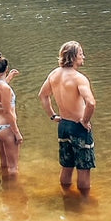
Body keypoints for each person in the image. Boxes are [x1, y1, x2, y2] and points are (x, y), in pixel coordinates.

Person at [38, 40, 96, 193]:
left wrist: (53, 116)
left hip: (63, 125)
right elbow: (90, 103)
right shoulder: (79, 78)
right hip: (78, 126)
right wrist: (85, 120)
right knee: (84, 167)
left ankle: (66, 196)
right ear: (73, 57)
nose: (84, 56)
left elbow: (43, 96)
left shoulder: (54, 74)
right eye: (81, 53)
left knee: (67, 165)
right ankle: (84, 202)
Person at [0, 52, 23, 175]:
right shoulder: (6, 89)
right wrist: (17, 133)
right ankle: (12, 193)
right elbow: (8, 113)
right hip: (6, 128)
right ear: (6, 68)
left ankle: (4, 188)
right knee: (13, 168)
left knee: (4, 164)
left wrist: (9, 78)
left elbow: (0, 91)